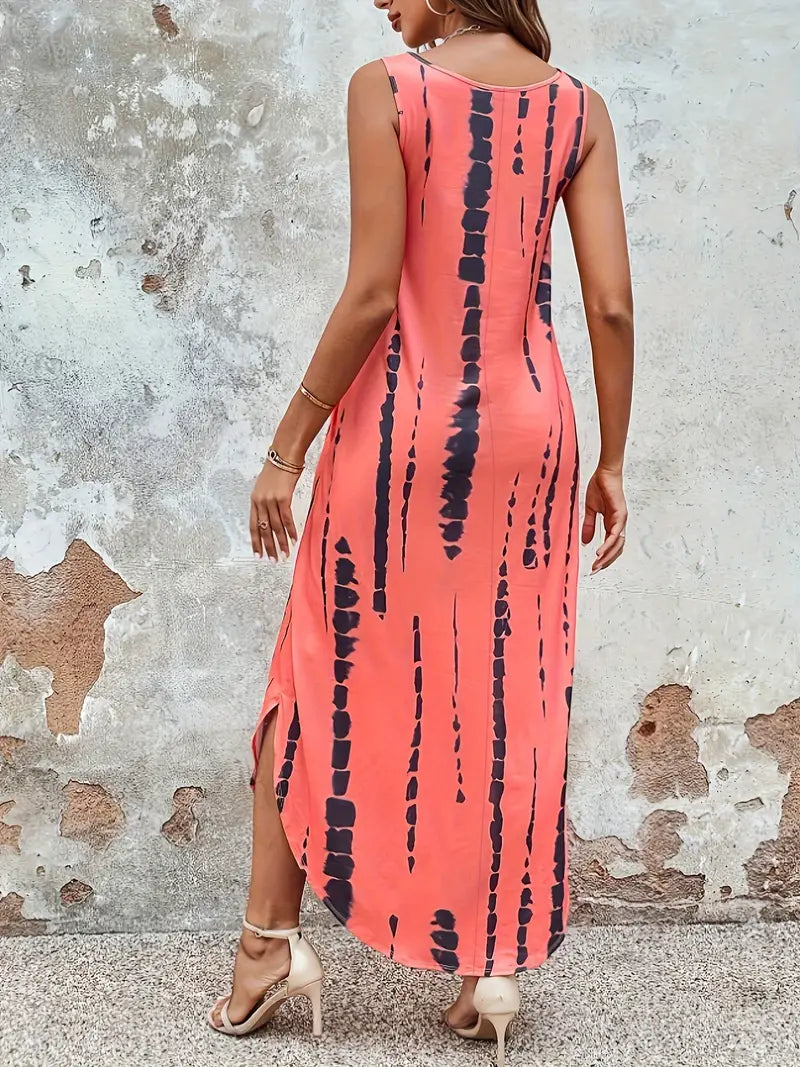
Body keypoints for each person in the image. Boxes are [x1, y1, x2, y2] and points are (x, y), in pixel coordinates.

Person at [208, 1, 633, 1063]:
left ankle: (266, 947)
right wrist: (613, 459)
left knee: (314, 667)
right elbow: (611, 306)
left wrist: (286, 446)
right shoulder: (577, 109)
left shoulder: (388, 89)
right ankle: (490, 965)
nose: (378, 1)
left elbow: (370, 292)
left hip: (404, 426)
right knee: (508, 681)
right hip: (531, 434)